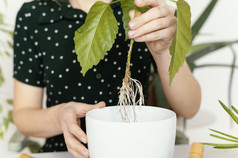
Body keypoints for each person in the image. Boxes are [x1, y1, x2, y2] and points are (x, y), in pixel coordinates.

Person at [13, 0, 201, 157]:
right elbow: (24, 116)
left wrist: (163, 52)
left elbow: (189, 107)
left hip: (137, 151)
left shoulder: (147, 10)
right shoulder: (34, 16)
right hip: (64, 153)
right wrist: (60, 115)